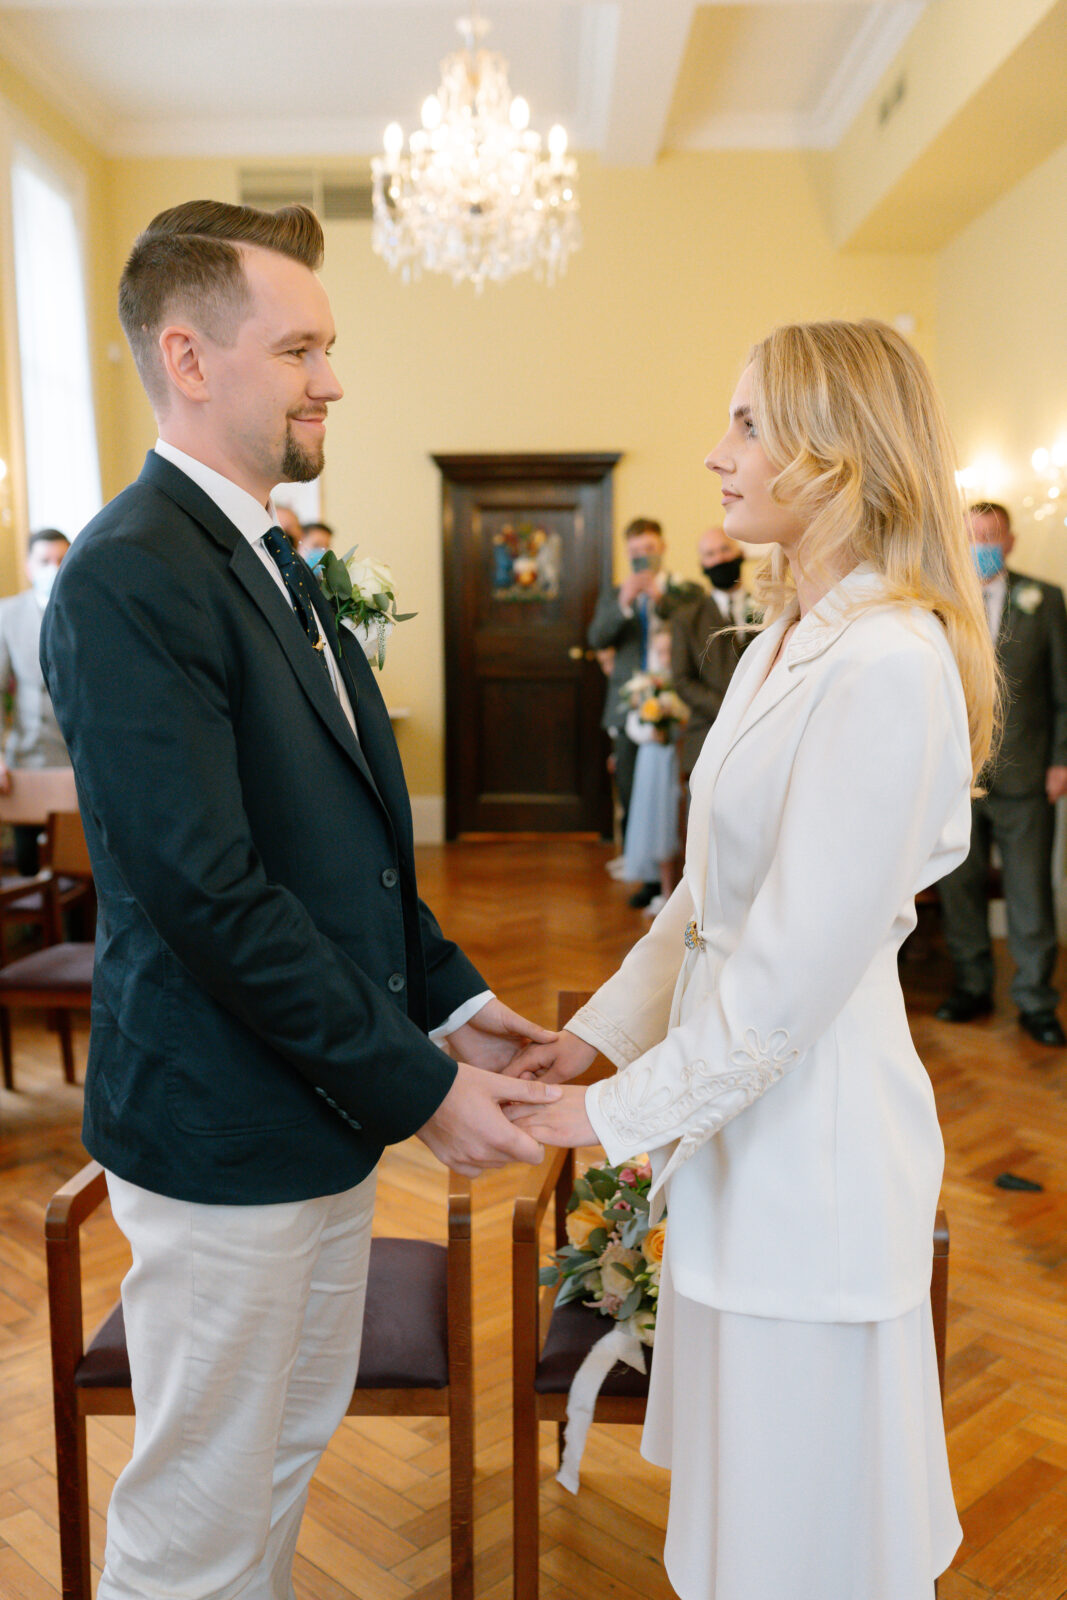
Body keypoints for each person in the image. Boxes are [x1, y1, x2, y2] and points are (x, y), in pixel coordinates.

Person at [39, 199, 559, 1600]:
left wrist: (451, 1003)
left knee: (276, 1465)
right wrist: (419, 1087)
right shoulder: (130, 574)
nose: (332, 379)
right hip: (221, 1127)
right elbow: (210, 894)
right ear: (189, 357)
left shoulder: (263, 551)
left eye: (327, 348)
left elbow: (343, 842)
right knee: (197, 1516)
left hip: (316, 1111)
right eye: (299, 350)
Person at [508, 320, 997, 1600]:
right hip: (738, 1131)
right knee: (740, 1522)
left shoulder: (888, 661)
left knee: (801, 1533)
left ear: (834, 452)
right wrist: (595, 1037)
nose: (714, 454)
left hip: (811, 1143)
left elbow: (785, 972)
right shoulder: (784, 636)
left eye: (744, 424)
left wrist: (606, 1114)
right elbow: (705, 900)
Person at [935, 501, 1067, 1045]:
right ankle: (972, 986)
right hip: (955, 778)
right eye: (972, 537)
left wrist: (1061, 759)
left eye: (991, 536)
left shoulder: (1044, 599)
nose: (982, 546)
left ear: (1009, 542)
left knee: (1030, 890)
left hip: (1027, 775)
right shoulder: (939, 602)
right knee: (959, 887)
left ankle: (1036, 1000)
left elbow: (1063, 688)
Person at [588, 518, 700, 905]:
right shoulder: (615, 594)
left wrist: (659, 598)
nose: (642, 557)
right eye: (635, 551)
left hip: (676, 704)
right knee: (632, 790)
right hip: (627, 708)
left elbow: (694, 631)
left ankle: (680, 877)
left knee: (672, 794)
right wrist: (624, 603)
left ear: (662, 547)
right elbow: (597, 637)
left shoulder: (684, 591)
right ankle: (650, 881)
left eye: (649, 549)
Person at [0, 527, 71, 874]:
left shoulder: (90, 608)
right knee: (30, 863)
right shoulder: (8, 614)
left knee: (82, 865)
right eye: (45, 560)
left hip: (78, 758)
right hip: (30, 757)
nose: (53, 568)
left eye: (61, 559)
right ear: (29, 567)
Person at [671, 526, 753, 783]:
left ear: (740, 553)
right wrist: (729, 710)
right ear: (702, 565)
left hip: (759, 733)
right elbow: (682, 680)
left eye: (725, 549)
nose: (719, 559)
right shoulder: (686, 619)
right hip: (707, 733)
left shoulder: (769, 608)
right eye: (710, 554)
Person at [620, 623, 683, 916]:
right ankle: (659, 886)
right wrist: (651, 732)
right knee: (653, 819)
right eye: (660, 652)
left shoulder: (680, 684)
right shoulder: (647, 685)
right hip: (651, 758)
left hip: (672, 758)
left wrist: (671, 727)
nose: (665, 657)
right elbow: (633, 724)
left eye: (669, 651)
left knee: (670, 820)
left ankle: (674, 891)